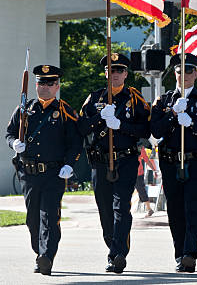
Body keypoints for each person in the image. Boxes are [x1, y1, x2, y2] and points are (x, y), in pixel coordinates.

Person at [150, 53, 197, 273]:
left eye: (189, 71)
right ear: (175, 73)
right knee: (175, 211)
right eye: (180, 71)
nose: (185, 76)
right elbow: (155, 130)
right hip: (171, 162)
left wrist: (192, 124)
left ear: (196, 73)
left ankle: (191, 253)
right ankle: (180, 253)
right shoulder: (164, 101)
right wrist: (172, 114)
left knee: (192, 209)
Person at [78, 53, 151, 274]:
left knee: (121, 207)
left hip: (126, 160)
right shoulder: (94, 98)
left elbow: (145, 130)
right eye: (111, 70)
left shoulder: (135, 99)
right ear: (105, 72)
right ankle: (114, 244)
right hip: (100, 162)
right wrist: (100, 119)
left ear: (126, 74)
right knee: (105, 211)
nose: (115, 74)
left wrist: (121, 125)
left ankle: (117, 254)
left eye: (119, 70)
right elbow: (81, 128)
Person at [6, 65, 81, 275]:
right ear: (36, 85)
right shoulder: (24, 109)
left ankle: (47, 256)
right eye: (41, 83)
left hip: (53, 173)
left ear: (57, 86)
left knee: (49, 215)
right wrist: (14, 144)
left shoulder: (65, 111)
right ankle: (39, 252)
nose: (45, 87)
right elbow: (9, 133)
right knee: (32, 219)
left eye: (50, 83)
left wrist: (69, 164)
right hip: (29, 174)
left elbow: (75, 143)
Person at [135, 143, 159, 218]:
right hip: (136, 171)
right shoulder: (140, 147)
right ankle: (148, 209)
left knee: (141, 190)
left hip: (138, 172)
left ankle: (149, 209)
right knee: (140, 189)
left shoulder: (140, 148)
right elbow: (146, 160)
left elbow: (146, 160)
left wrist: (154, 170)